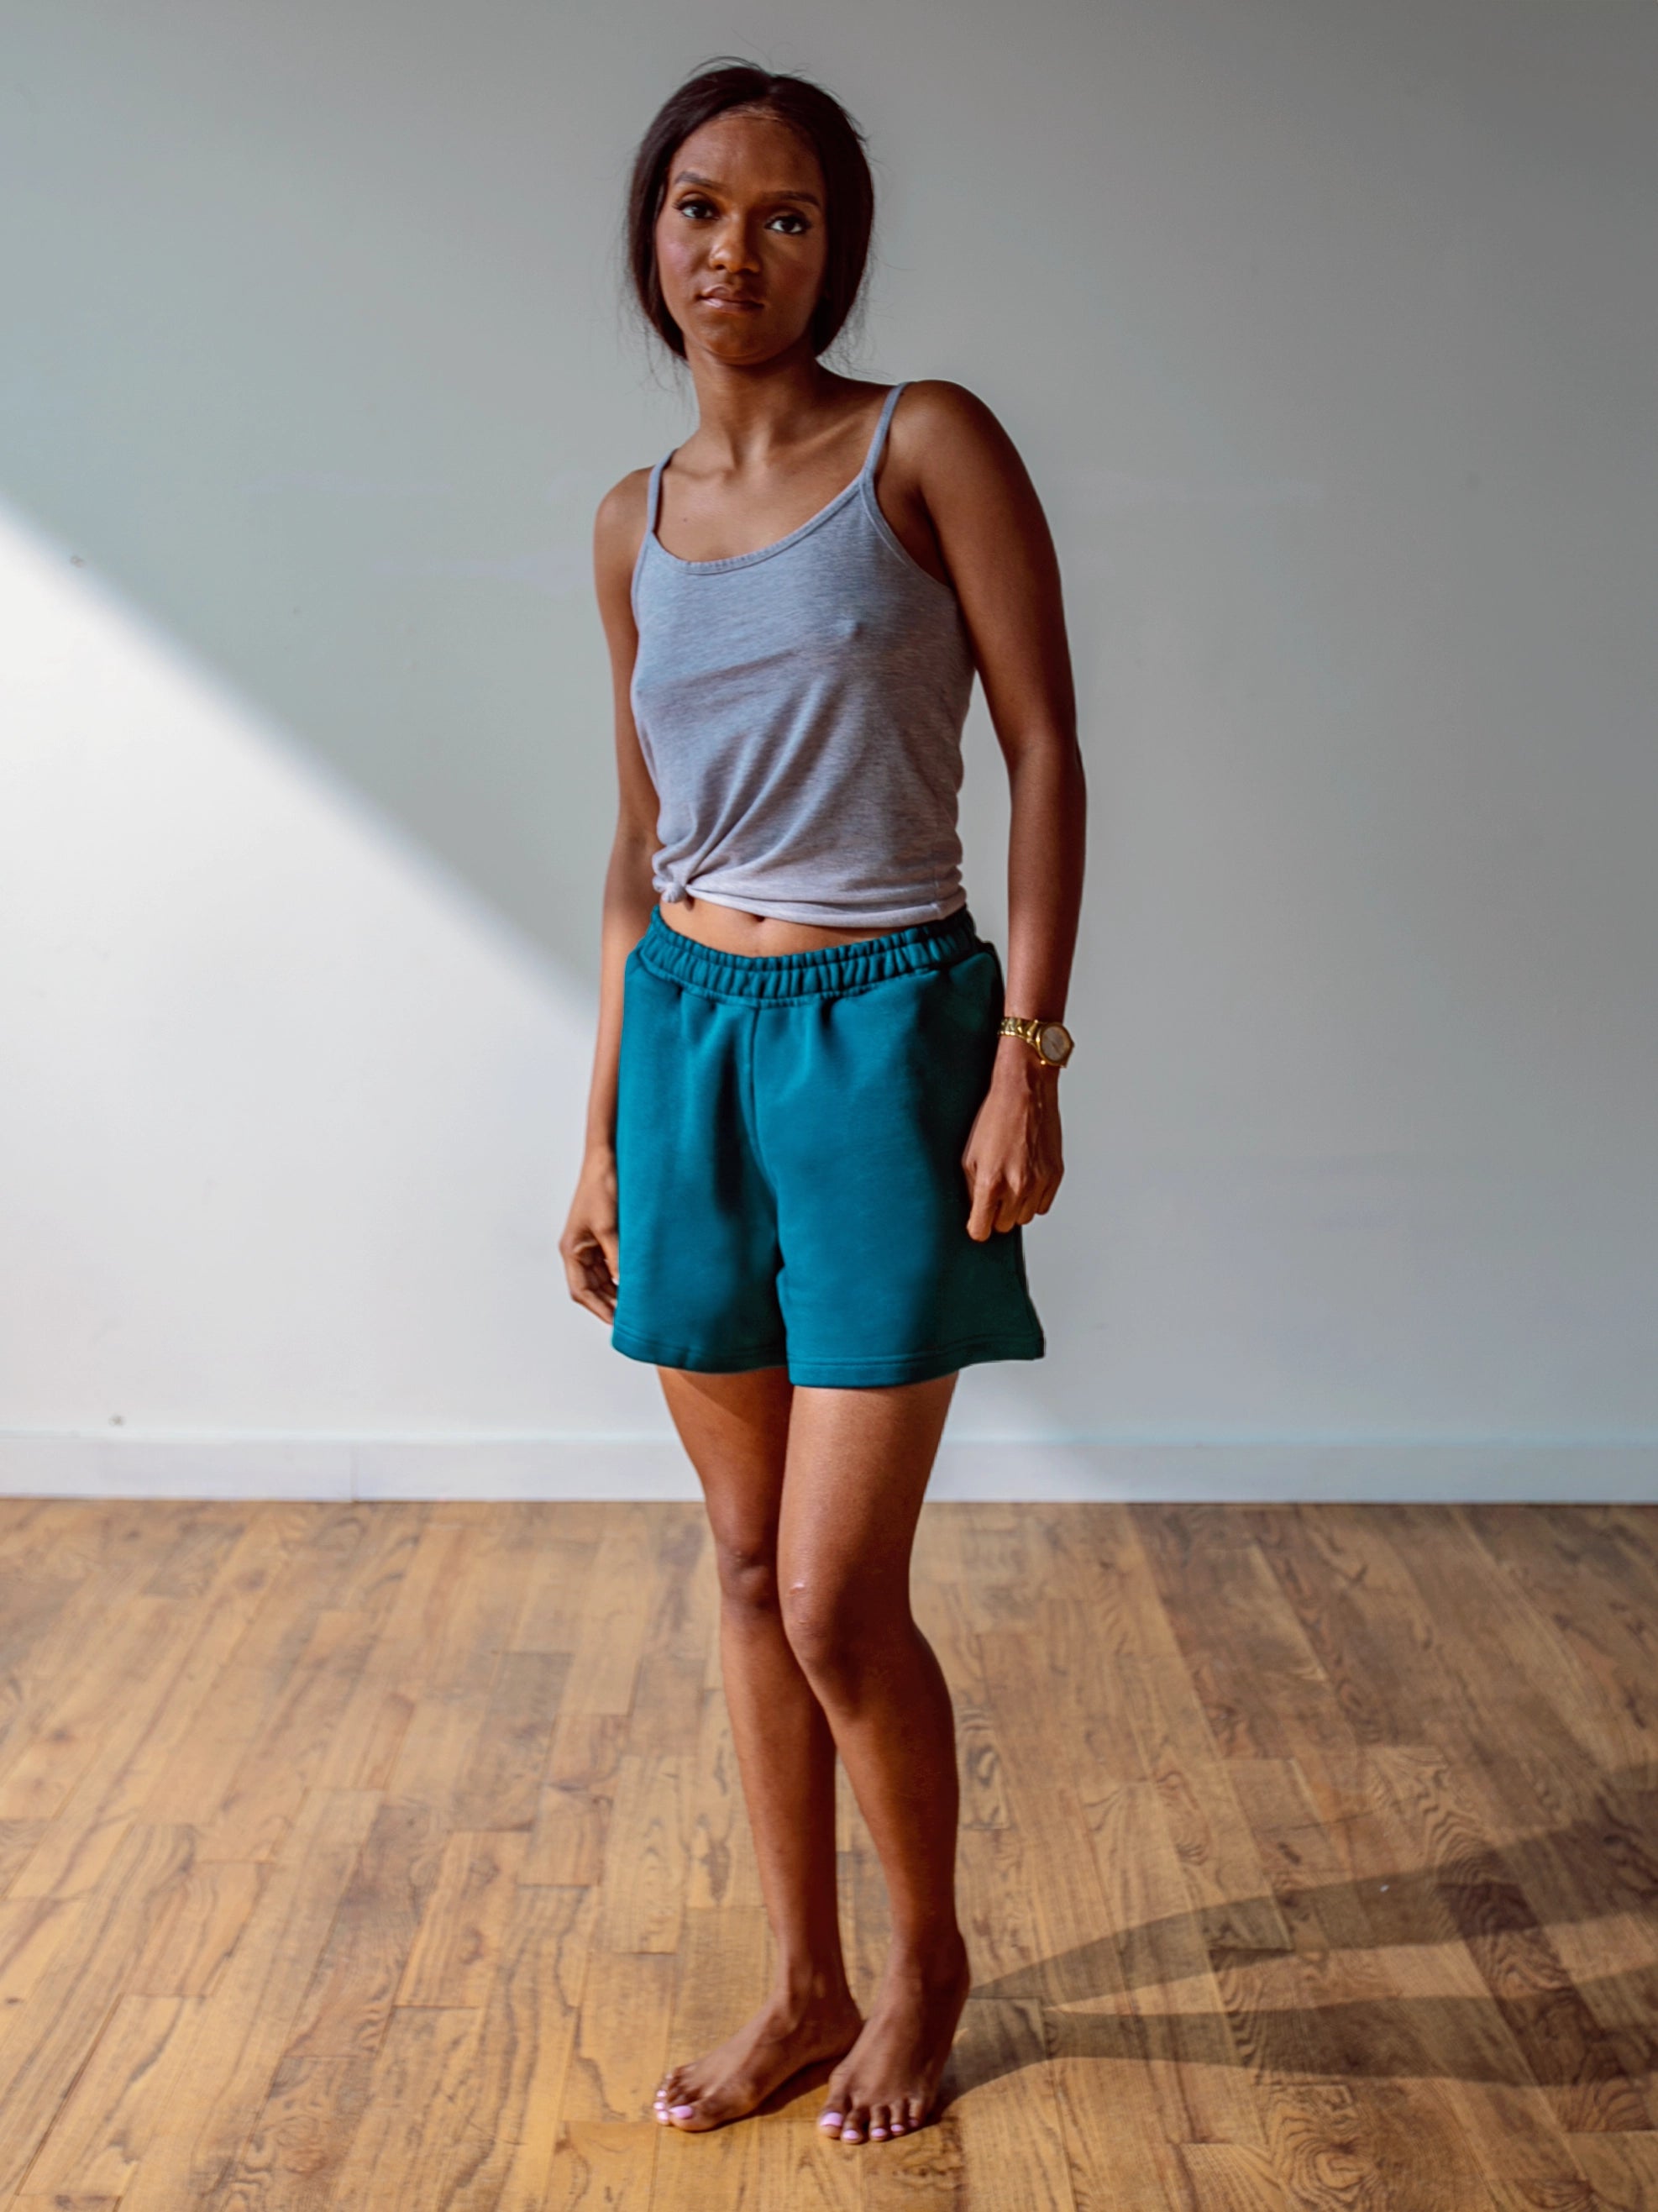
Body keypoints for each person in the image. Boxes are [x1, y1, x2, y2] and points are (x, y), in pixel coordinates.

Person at [559, 58, 1086, 2148]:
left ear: (835, 245)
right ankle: (800, 1981)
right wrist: (600, 1124)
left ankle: (928, 1961)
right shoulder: (633, 525)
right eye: (701, 208)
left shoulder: (923, 447)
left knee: (833, 1592)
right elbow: (635, 844)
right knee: (735, 1557)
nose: (735, 252)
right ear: (651, 229)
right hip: (688, 1035)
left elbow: (1048, 750)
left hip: (887, 1039)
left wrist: (1028, 1054)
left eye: (785, 218)